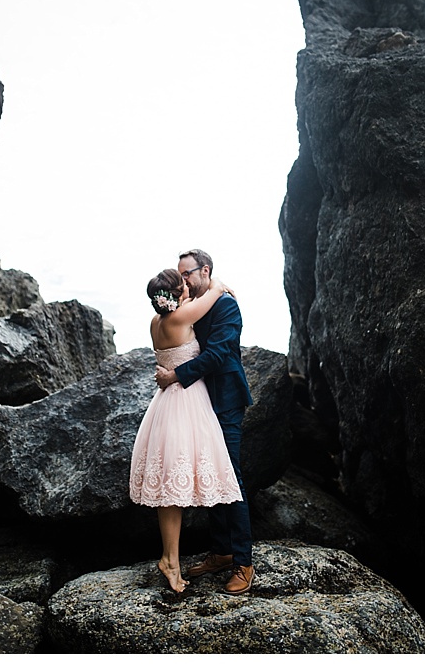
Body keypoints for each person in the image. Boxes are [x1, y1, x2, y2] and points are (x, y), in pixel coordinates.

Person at [129, 268, 243, 593]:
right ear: (178, 294)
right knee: (180, 486)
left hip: (164, 405)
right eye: (182, 283)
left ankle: (170, 560)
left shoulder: (156, 323)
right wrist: (217, 282)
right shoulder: (182, 318)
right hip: (188, 405)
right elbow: (214, 291)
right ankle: (173, 561)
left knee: (169, 494)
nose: (187, 286)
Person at [154, 249, 255, 596]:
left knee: (230, 478)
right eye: (179, 276)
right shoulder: (189, 307)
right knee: (211, 476)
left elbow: (219, 353)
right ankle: (221, 551)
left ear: (205, 271)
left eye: (187, 275)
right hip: (198, 404)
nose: (182, 281)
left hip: (225, 400)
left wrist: (176, 376)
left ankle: (244, 562)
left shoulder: (226, 305)